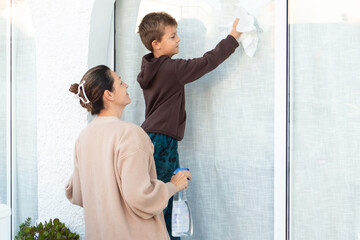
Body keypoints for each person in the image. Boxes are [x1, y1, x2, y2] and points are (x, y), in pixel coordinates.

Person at [137, 12, 241, 238]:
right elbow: (207, 62)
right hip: (163, 140)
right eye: (173, 36)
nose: (179, 40)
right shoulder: (170, 69)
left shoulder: (150, 69)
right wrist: (232, 38)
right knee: (167, 197)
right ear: (156, 44)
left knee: (160, 196)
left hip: (153, 136)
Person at [65, 65, 191, 240]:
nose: (127, 86)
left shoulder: (84, 138)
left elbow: (77, 194)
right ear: (108, 95)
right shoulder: (130, 134)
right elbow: (141, 196)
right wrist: (173, 186)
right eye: (120, 82)